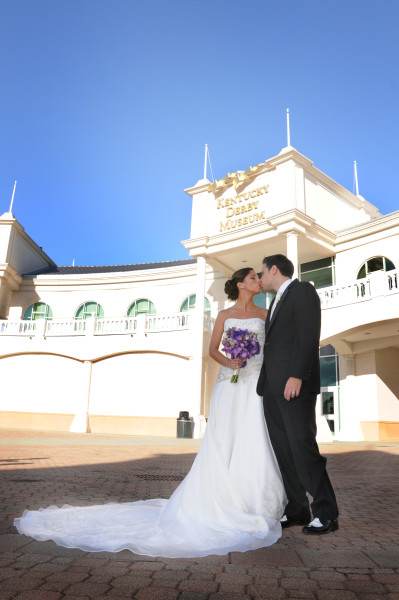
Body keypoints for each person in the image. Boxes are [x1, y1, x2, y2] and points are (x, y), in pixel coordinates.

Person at [14, 267, 286, 558]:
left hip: (254, 384)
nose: (259, 281)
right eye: (254, 278)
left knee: (253, 437)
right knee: (223, 440)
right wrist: (231, 361)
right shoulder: (223, 315)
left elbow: (272, 348)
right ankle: (219, 498)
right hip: (229, 384)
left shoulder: (263, 315)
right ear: (242, 284)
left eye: (260, 277)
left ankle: (253, 500)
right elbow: (213, 350)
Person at [257, 254, 339, 534]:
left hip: (294, 386)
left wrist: (296, 375)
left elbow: (308, 334)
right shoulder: (275, 302)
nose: (260, 277)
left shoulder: (302, 291)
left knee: (302, 447)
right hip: (271, 388)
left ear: (275, 270)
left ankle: (326, 512)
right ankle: (297, 509)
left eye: (262, 272)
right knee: (284, 450)